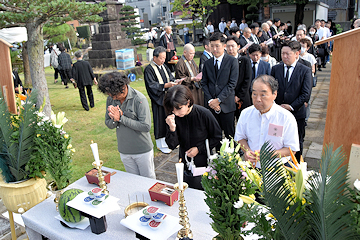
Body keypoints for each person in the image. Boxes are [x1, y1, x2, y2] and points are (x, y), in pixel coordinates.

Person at [99, 72, 156, 179]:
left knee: (148, 181)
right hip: (124, 150)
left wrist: (121, 118)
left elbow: (146, 126)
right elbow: (109, 124)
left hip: (142, 150)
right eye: (111, 95)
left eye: (115, 95)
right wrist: (115, 119)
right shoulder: (111, 98)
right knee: (132, 181)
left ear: (124, 87)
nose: (113, 98)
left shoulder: (139, 99)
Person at [234, 75, 299, 168]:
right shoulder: (246, 113)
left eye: (263, 95)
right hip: (252, 166)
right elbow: (240, 138)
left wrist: (269, 155)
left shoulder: (285, 117)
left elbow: (292, 149)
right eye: (254, 94)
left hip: (278, 168)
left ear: (274, 94)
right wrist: (247, 151)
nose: (258, 99)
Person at [164, 85, 222, 190]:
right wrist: (172, 129)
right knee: (186, 191)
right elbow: (172, 145)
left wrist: (199, 149)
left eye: (179, 108)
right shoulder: (174, 117)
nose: (176, 113)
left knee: (204, 191)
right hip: (184, 161)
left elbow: (217, 137)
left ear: (188, 102)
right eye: (173, 110)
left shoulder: (204, 114)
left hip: (203, 161)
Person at [271, 41, 312, 161]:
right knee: (276, 139)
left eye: (287, 54)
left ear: (297, 53)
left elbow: (306, 94)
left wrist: (291, 106)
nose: (284, 56)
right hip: (277, 114)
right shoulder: (275, 69)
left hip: (296, 113)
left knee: (296, 142)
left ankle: (296, 166)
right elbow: (271, 90)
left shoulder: (305, 70)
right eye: (282, 53)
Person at [201, 32, 239, 143]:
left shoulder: (232, 61)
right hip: (211, 106)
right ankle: (217, 157)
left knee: (229, 136)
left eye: (217, 46)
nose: (214, 48)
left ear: (224, 46)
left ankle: (231, 158)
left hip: (226, 105)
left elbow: (232, 83)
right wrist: (211, 101)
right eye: (212, 46)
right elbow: (204, 83)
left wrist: (219, 100)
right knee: (214, 135)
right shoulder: (207, 63)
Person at [144, 46, 178, 154]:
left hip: (168, 99)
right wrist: (165, 86)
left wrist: (175, 82)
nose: (163, 60)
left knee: (170, 120)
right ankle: (161, 144)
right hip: (158, 99)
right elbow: (151, 86)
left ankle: (171, 141)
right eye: (161, 58)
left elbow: (170, 77)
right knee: (161, 122)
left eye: (164, 58)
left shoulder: (163, 66)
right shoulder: (149, 69)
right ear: (154, 57)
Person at [225, 36, 252, 118]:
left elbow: (247, 80)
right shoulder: (224, 62)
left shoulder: (244, 60)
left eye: (232, 46)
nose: (230, 48)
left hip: (243, 97)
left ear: (238, 46)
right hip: (228, 98)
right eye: (228, 46)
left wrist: (239, 96)